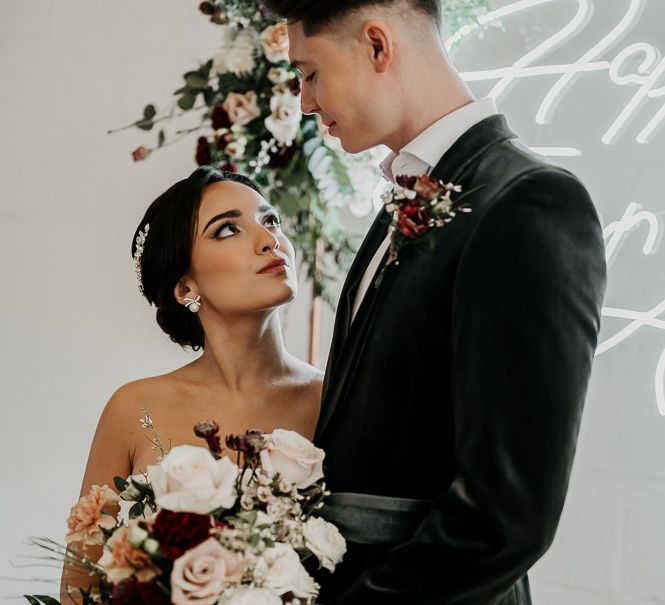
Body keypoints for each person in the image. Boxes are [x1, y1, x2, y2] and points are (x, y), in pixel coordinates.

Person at [259, 1, 608, 604]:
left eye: (309, 73)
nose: (306, 103)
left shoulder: (529, 204)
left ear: (376, 45)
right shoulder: (401, 202)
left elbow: (505, 518)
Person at [59, 166, 323, 602]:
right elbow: (79, 590)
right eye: (228, 230)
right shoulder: (133, 409)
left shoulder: (332, 399)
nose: (268, 239)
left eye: (270, 219)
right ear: (185, 287)